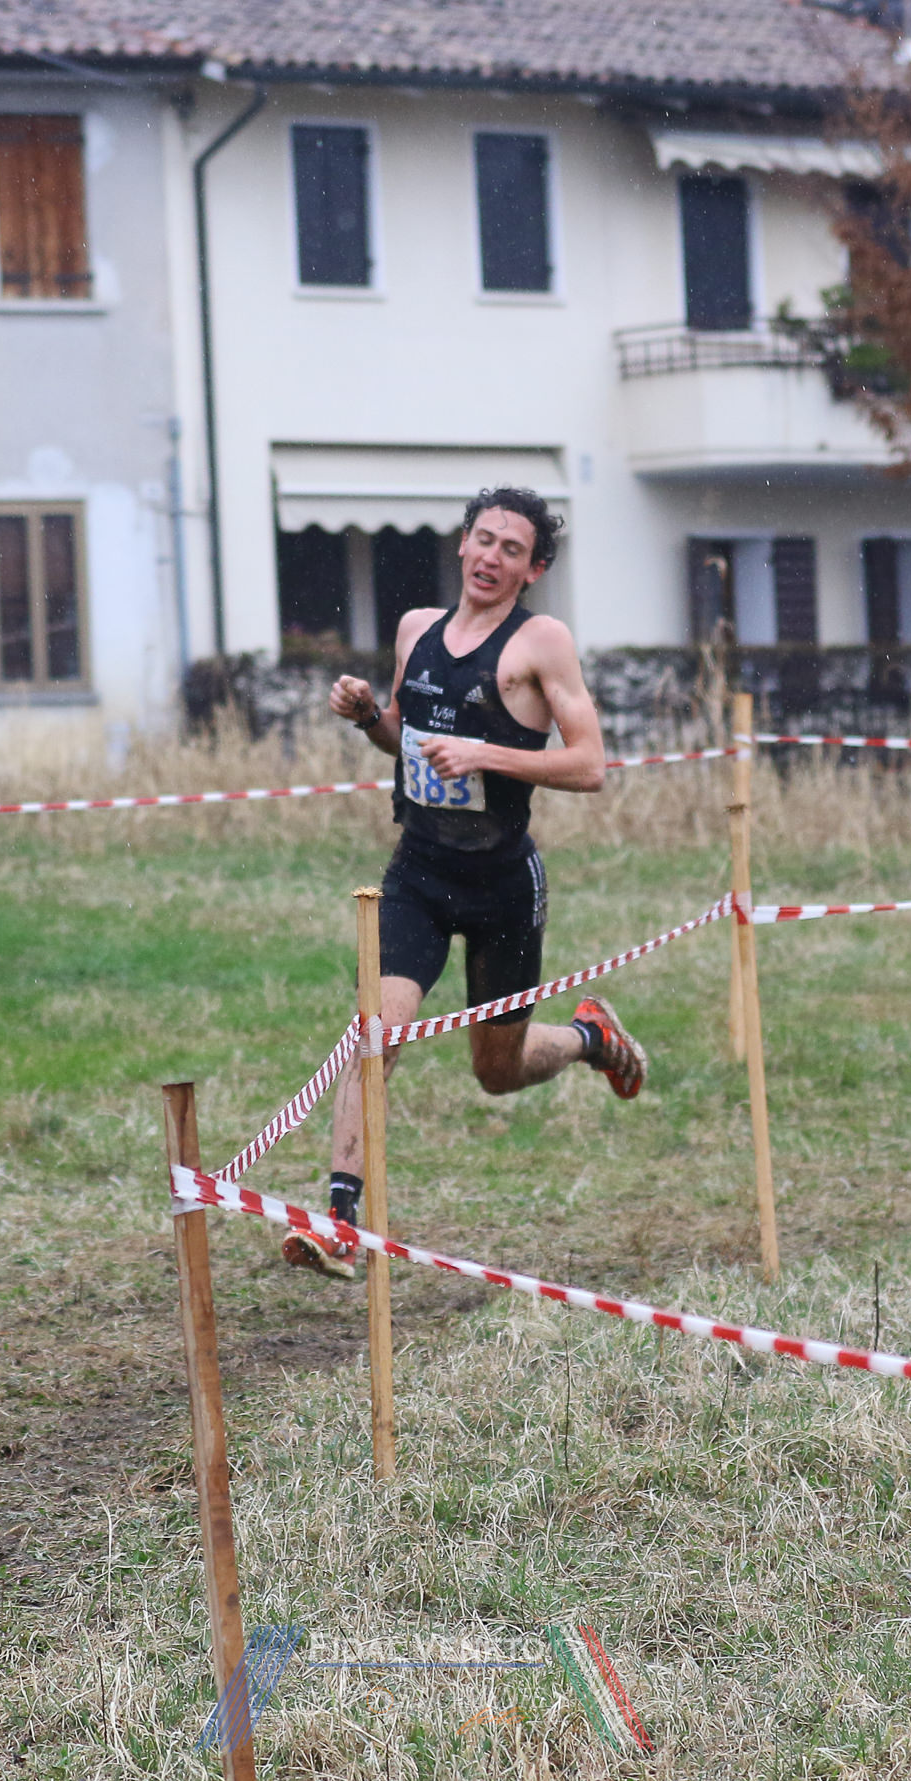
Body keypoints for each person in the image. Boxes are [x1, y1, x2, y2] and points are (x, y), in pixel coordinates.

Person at [281, 489, 648, 1278]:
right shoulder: (416, 628)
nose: (491, 558)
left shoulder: (542, 642)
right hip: (418, 872)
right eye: (484, 540)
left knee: (496, 1071)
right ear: (462, 543)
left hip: (502, 885)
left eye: (512, 549)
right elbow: (406, 743)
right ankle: (339, 1222)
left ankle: (589, 1037)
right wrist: (369, 715)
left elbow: (590, 765)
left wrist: (486, 754)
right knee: (377, 1031)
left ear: (533, 569)